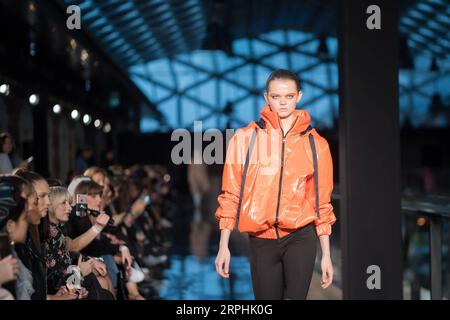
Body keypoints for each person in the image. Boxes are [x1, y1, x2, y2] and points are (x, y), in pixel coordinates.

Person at [214, 69, 337, 300]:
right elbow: (230, 194)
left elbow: (321, 203)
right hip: (262, 238)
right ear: (266, 97)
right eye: (276, 97)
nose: (283, 103)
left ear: (298, 96)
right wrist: (224, 246)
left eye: (289, 96)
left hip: (301, 237)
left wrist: (327, 255)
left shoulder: (315, 144)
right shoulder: (244, 138)